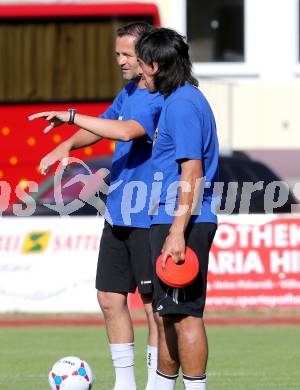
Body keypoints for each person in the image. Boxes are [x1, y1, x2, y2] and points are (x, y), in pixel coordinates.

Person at [29, 22, 164, 390]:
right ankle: (125, 384)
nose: (119, 61)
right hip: (119, 210)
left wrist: (71, 114)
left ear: (147, 56)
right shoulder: (130, 89)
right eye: (117, 54)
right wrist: (68, 145)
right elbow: (104, 124)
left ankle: (157, 383)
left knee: (154, 306)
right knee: (108, 297)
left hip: (149, 214)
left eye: (126, 55)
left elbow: (124, 131)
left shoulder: (158, 95)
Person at [136, 28, 219, 390]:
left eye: (141, 64)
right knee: (167, 316)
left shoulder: (184, 104)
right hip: (171, 218)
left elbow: (193, 171)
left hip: (182, 221)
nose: (139, 72)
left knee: (184, 316)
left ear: (156, 65)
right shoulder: (178, 99)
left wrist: (175, 231)